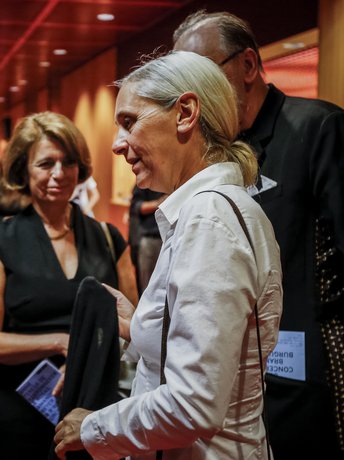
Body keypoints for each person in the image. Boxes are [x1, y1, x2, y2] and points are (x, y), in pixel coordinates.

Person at [54, 51, 283, 459]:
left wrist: (93, 427)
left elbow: (193, 405)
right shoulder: (210, 210)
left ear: (185, 113)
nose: (116, 145)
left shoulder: (209, 217)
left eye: (129, 122)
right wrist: (141, 323)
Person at [173, 10, 344, 458]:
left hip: (308, 362)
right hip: (232, 368)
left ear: (248, 65)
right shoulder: (210, 152)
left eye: (203, 72)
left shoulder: (317, 127)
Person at [0, 111, 138, 460]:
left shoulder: (108, 238)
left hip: (93, 408)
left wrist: (85, 356)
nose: (59, 174)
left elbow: (133, 326)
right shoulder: (1, 242)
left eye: (68, 162)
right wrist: (63, 343)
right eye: (46, 163)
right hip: (17, 407)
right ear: (23, 170)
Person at [128, 186, 165, 294]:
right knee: (147, 287)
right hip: (149, 239)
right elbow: (137, 207)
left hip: (166, 238)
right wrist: (161, 202)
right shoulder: (146, 182)